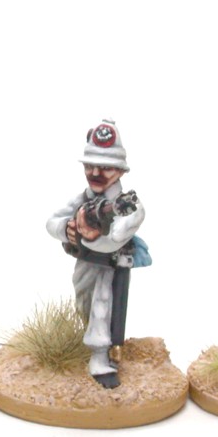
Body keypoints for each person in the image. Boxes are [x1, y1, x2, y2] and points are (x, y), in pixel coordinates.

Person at [46, 120, 147, 389]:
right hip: (85, 263)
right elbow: (52, 222)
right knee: (85, 304)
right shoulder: (84, 198)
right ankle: (90, 342)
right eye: (90, 166)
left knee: (103, 306)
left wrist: (89, 234)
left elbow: (114, 240)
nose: (95, 173)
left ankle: (100, 360)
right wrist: (69, 229)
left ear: (120, 171)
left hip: (109, 265)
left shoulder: (128, 205)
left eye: (105, 168)